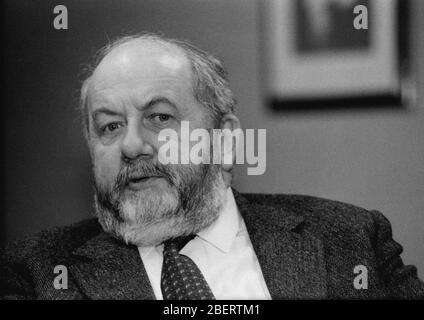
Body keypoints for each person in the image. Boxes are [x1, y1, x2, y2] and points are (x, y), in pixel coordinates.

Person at [1, 33, 423, 300]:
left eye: (159, 117)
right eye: (109, 125)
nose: (131, 145)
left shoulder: (351, 240)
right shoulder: (36, 273)